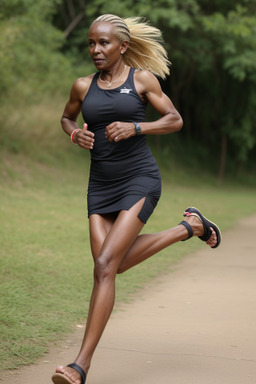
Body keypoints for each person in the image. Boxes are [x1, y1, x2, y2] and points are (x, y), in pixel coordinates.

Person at [52, 13, 221, 384]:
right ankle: (189, 227)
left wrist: (136, 126)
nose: (96, 50)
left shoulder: (141, 79)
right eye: (92, 43)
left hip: (139, 180)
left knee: (105, 265)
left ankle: (79, 366)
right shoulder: (82, 86)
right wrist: (73, 134)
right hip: (100, 186)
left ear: (123, 46)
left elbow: (174, 119)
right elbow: (66, 118)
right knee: (112, 265)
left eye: (104, 43)